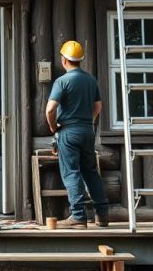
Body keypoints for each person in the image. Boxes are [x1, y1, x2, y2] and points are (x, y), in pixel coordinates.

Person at [45, 40, 110, 229]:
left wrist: (52, 126)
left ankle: (78, 217)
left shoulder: (62, 81)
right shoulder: (90, 79)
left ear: (64, 59)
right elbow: (98, 106)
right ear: (79, 60)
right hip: (87, 130)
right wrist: (87, 120)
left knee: (71, 172)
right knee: (90, 171)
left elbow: (50, 109)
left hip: (68, 131)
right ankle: (102, 215)